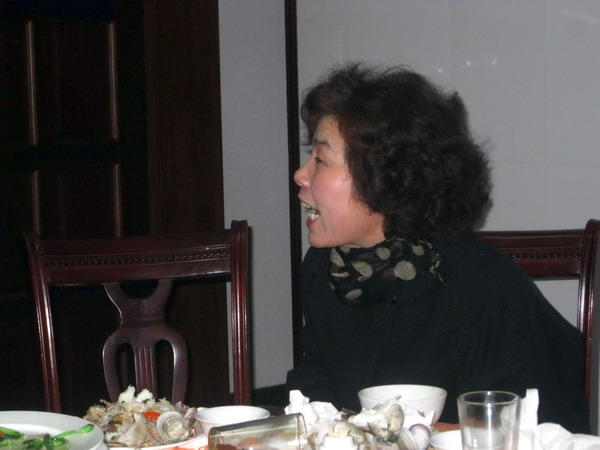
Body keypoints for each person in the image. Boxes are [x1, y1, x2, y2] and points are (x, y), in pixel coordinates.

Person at [286, 62, 590, 433]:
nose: (300, 174)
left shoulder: (483, 290)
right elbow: (316, 370)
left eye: (320, 159)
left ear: (386, 177)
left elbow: (533, 430)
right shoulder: (326, 266)